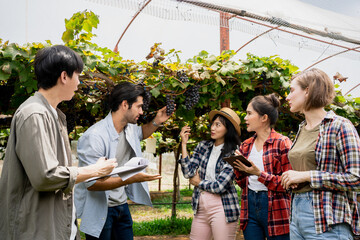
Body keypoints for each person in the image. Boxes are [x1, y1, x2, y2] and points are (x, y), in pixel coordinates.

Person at [0, 45, 117, 240]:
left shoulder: (53, 115)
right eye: (77, 75)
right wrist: (94, 171)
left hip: (55, 226)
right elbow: (45, 176)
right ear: (64, 76)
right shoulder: (35, 114)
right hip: (36, 230)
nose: (79, 83)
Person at [74, 81, 170, 240]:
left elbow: (141, 134)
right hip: (100, 209)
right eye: (138, 106)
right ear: (125, 104)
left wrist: (156, 121)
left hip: (121, 206)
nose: (141, 110)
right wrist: (132, 178)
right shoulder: (94, 137)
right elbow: (92, 184)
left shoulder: (130, 127)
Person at [280, 68, 360, 239]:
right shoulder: (302, 128)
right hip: (296, 214)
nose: (287, 96)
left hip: (326, 219)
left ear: (307, 91)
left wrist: (307, 176)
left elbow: (356, 178)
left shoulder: (340, 126)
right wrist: (294, 180)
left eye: (292, 90)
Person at [233, 94, 292, 240]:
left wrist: (259, 174)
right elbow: (242, 183)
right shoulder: (246, 145)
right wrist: (237, 166)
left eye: (249, 113)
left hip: (276, 206)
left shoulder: (282, 143)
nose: (245, 118)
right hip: (250, 206)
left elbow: (289, 184)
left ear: (264, 117)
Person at [179, 107, 241, 240]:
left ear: (228, 129)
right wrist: (184, 144)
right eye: (212, 124)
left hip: (223, 208)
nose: (212, 127)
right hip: (200, 207)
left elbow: (220, 186)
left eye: (218, 125)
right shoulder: (203, 146)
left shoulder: (234, 153)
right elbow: (188, 172)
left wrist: (199, 182)